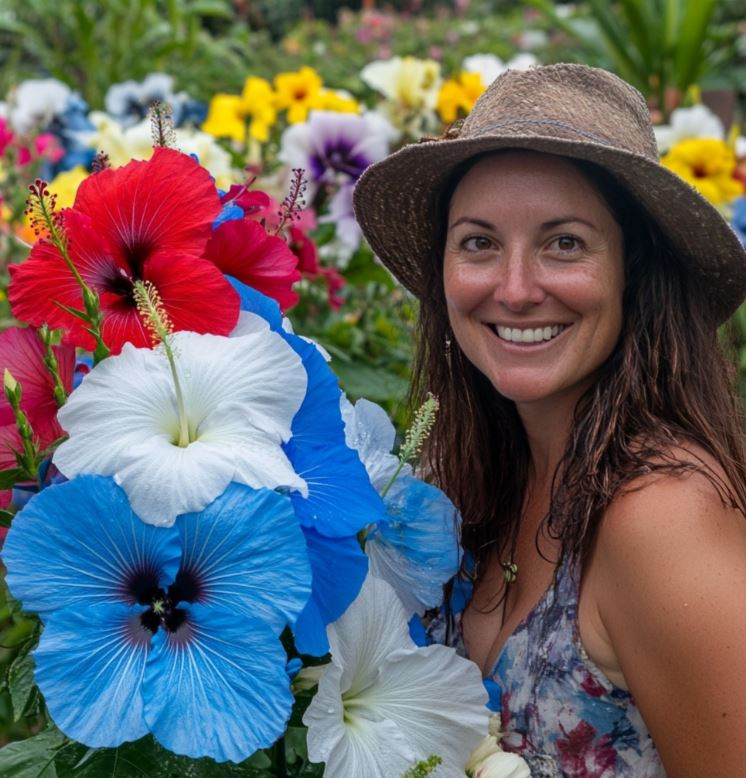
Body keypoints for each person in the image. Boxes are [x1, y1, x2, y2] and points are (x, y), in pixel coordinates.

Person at [352, 63, 746, 777]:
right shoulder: (463, 482)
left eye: (564, 242)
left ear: (634, 270)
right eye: (478, 242)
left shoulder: (662, 518)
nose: (515, 288)